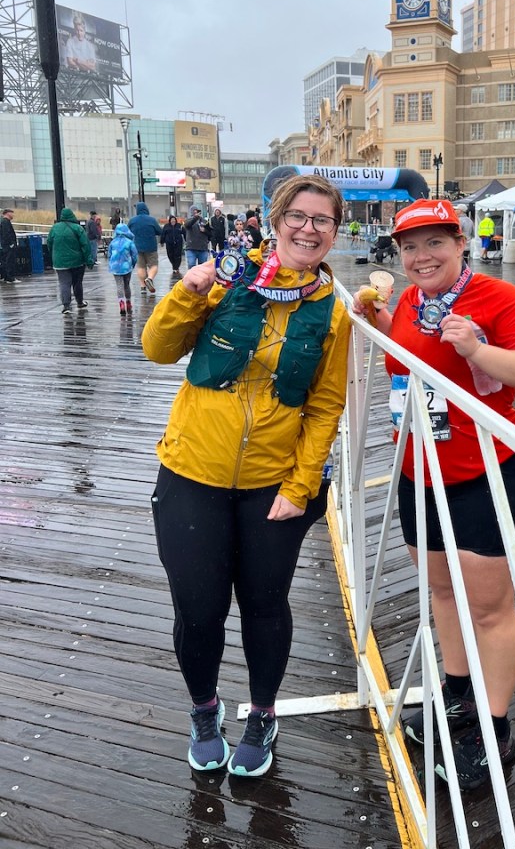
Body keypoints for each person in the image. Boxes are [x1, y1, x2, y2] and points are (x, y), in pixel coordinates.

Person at [142, 174, 351, 778]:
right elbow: (157, 349)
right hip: (191, 473)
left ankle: (261, 714)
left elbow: (325, 405)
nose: (308, 229)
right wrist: (188, 290)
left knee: (265, 606)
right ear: (276, 218)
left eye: (323, 221)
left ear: (334, 232)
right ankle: (205, 711)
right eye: (299, 216)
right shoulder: (228, 279)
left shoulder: (330, 311)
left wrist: (300, 485)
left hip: (272, 483)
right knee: (199, 608)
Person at [352, 199, 515, 791]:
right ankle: (458, 693)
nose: (421, 257)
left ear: (461, 243)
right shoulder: (414, 300)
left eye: (435, 243)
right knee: (441, 589)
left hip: (483, 474)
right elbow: (412, 361)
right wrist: (383, 322)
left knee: (491, 608)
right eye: (410, 247)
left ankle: (493, 730)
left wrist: (477, 349)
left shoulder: (499, 299)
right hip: (418, 471)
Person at [47, 207, 94, 313]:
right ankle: (79, 302)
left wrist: (54, 255)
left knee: (64, 283)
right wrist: (89, 260)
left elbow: (49, 243)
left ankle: (66, 306)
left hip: (60, 262)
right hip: (77, 261)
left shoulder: (55, 228)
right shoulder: (77, 228)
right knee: (77, 282)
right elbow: (85, 245)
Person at [128, 201, 162, 294]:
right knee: (153, 265)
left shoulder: (132, 220)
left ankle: (142, 287)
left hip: (137, 247)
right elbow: (159, 231)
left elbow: (128, 232)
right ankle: (149, 279)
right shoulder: (152, 220)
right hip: (151, 247)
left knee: (141, 267)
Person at [109, 221, 138, 316]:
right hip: (126, 267)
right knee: (126, 285)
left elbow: (109, 255)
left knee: (119, 286)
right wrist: (132, 264)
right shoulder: (129, 242)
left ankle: (121, 304)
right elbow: (134, 255)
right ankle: (128, 302)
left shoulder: (113, 242)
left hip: (115, 268)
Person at [0, 208, 18, 284]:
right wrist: (11, 243)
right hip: (8, 246)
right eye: (11, 213)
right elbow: (6, 234)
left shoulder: (3, 222)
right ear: (7, 213)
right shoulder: (5, 222)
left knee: (4, 261)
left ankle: (4, 276)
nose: (13, 215)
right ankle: (10, 278)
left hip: (4, 245)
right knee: (9, 261)